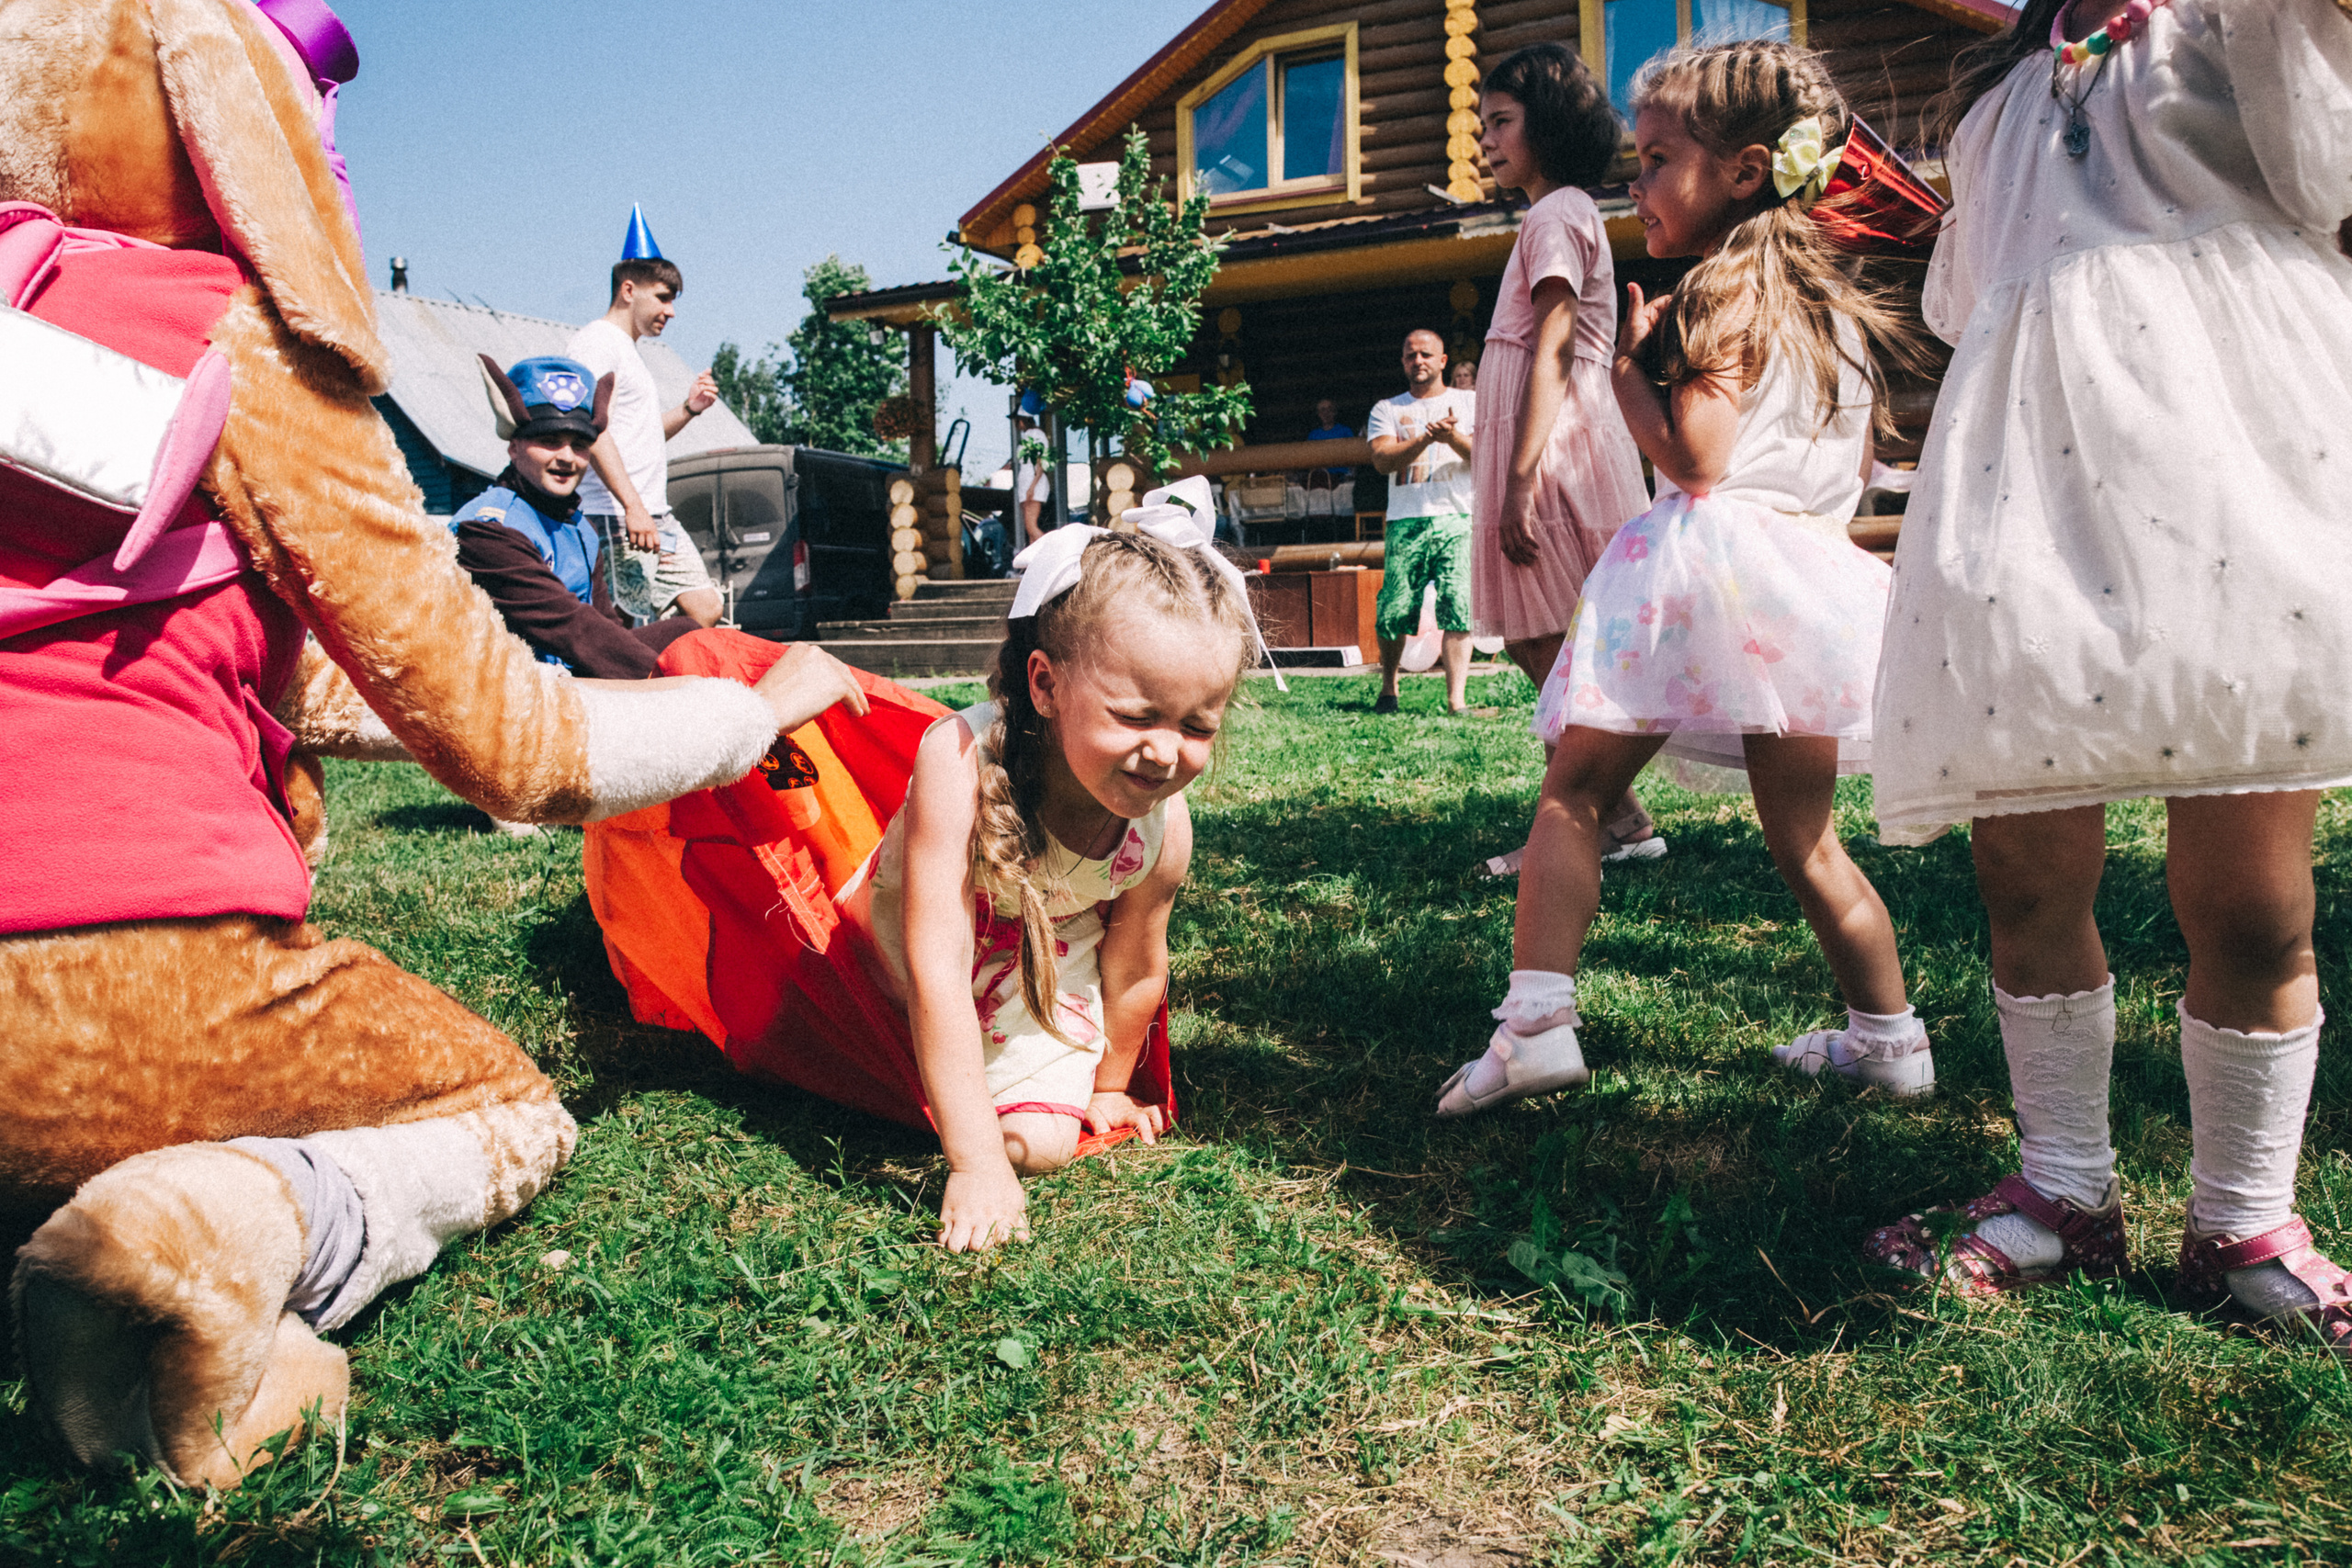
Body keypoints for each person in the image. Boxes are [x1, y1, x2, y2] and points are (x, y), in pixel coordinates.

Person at [1861, 0, 2352, 1357]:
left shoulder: (2247, 20)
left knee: (2252, 895)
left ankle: (2243, 1214)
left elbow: (2330, 182)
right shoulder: (1998, 100)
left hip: (2236, 491)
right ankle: (2064, 1185)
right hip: (2029, 503)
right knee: (2025, 869)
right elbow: (1969, 300)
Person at [1436, 39, 1933, 1118]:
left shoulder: (1721, 289)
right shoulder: (1829, 308)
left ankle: (1533, 1029)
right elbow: (1847, 468)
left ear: (1745, 172)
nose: (1638, 183)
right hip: (1802, 580)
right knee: (1805, 839)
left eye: (1658, 160)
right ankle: (1890, 1041)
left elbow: (1698, 459)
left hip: (1702, 575)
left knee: (1575, 793)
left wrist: (1627, 372)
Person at [587, 495, 1262, 1254]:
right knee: (927, 1099)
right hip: (897, 958)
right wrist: (975, 1163)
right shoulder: (960, 758)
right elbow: (936, 962)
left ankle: (1008, 1091)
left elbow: (1135, 965)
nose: (1165, 753)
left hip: (1040, 964)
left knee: (1041, 1144)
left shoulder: (1164, 830)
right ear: (1045, 685)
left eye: (1197, 726)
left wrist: (1109, 1086)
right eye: (1135, 716)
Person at [1471, 43, 1664, 877]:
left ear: (1546, 125)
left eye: (1501, 122)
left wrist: (1522, 478)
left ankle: (1578, 823)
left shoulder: (1555, 214)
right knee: (1540, 641)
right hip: (1550, 438)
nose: (1486, 139)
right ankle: (1620, 818)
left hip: (1551, 449)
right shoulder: (1559, 212)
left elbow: (1552, 346)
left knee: (1550, 642)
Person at [452, 355, 700, 680]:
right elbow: (572, 629)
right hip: (502, 685)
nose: (567, 458)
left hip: (564, 675)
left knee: (688, 633)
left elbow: (606, 626)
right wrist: (670, 686)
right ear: (514, 448)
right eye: (550, 441)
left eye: (580, 444)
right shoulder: (487, 529)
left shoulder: (581, 528)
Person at [566, 234, 723, 629]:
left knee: (705, 607)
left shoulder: (628, 350)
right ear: (628, 290)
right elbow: (592, 429)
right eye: (663, 298)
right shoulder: (597, 344)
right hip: (615, 513)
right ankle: (632, 667)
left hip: (654, 512)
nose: (671, 312)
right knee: (621, 619)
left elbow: (642, 436)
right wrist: (632, 506)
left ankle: (652, 661)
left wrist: (689, 409)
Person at [1367, 329, 1477, 715]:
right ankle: (1389, 689)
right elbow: (1382, 460)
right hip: (1406, 518)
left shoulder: (1469, 401)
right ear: (1402, 361)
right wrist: (1427, 439)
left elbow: (1484, 454)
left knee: (1459, 606)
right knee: (1394, 608)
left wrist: (1452, 438)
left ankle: (1456, 699)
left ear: (1443, 360)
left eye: (1427, 354)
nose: (1419, 361)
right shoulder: (1387, 408)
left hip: (1458, 516)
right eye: (1411, 355)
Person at [1305, 395, 1354, 479]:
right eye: (1323, 410)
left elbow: (1353, 456)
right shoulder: (1313, 435)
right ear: (1319, 414)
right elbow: (1309, 461)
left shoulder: (1345, 431)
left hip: (1342, 477)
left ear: (1335, 412)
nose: (1326, 413)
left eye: (1330, 409)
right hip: (1321, 478)